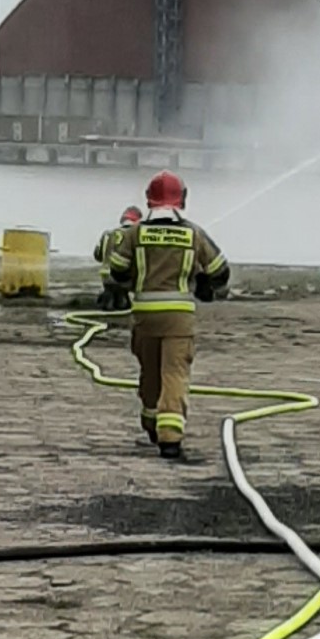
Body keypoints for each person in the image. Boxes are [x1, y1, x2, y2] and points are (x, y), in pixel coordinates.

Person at [102, 172, 231, 458]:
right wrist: (203, 285)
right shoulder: (193, 234)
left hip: (144, 316)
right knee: (174, 373)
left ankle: (151, 421)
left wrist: (137, 279)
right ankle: (170, 437)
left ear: (149, 199)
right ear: (181, 200)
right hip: (179, 318)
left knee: (149, 372)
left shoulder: (135, 234)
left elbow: (117, 271)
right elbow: (221, 271)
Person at [93, 206, 143, 309]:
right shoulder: (135, 235)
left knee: (109, 302)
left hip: (106, 277)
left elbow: (97, 255)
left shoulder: (107, 234)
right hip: (125, 279)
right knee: (123, 304)